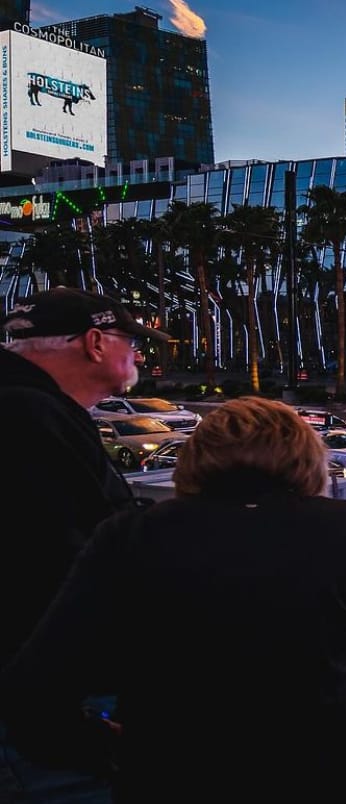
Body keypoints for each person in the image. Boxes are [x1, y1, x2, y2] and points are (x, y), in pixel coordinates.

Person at [0, 397, 346, 804]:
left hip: (176, 776)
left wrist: (112, 751)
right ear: (307, 457)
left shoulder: (132, 533)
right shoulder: (344, 525)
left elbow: (33, 690)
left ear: (195, 458)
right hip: (320, 773)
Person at [1, 287, 168, 803]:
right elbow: (52, 570)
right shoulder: (27, 420)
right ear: (94, 343)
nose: (138, 354)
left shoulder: (32, 409)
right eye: (131, 340)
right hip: (40, 721)